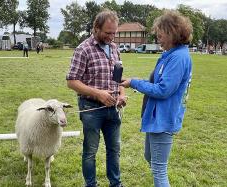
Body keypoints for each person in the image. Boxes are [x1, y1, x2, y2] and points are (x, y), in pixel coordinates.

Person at [120, 10, 193, 187]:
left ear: (172, 33)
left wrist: (135, 83)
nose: (157, 38)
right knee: (150, 157)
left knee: (159, 170)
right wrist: (136, 81)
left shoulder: (178, 57)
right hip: (156, 117)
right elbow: (159, 83)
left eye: (160, 34)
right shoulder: (170, 54)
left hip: (164, 119)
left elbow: (163, 90)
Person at [66, 9, 126, 187]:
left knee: (114, 150)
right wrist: (98, 93)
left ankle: (116, 184)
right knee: (90, 151)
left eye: (114, 33)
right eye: (108, 33)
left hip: (113, 108)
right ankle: (90, 185)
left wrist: (121, 93)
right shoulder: (83, 49)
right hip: (91, 108)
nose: (112, 37)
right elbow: (71, 81)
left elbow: (119, 77)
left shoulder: (115, 48)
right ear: (96, 28)